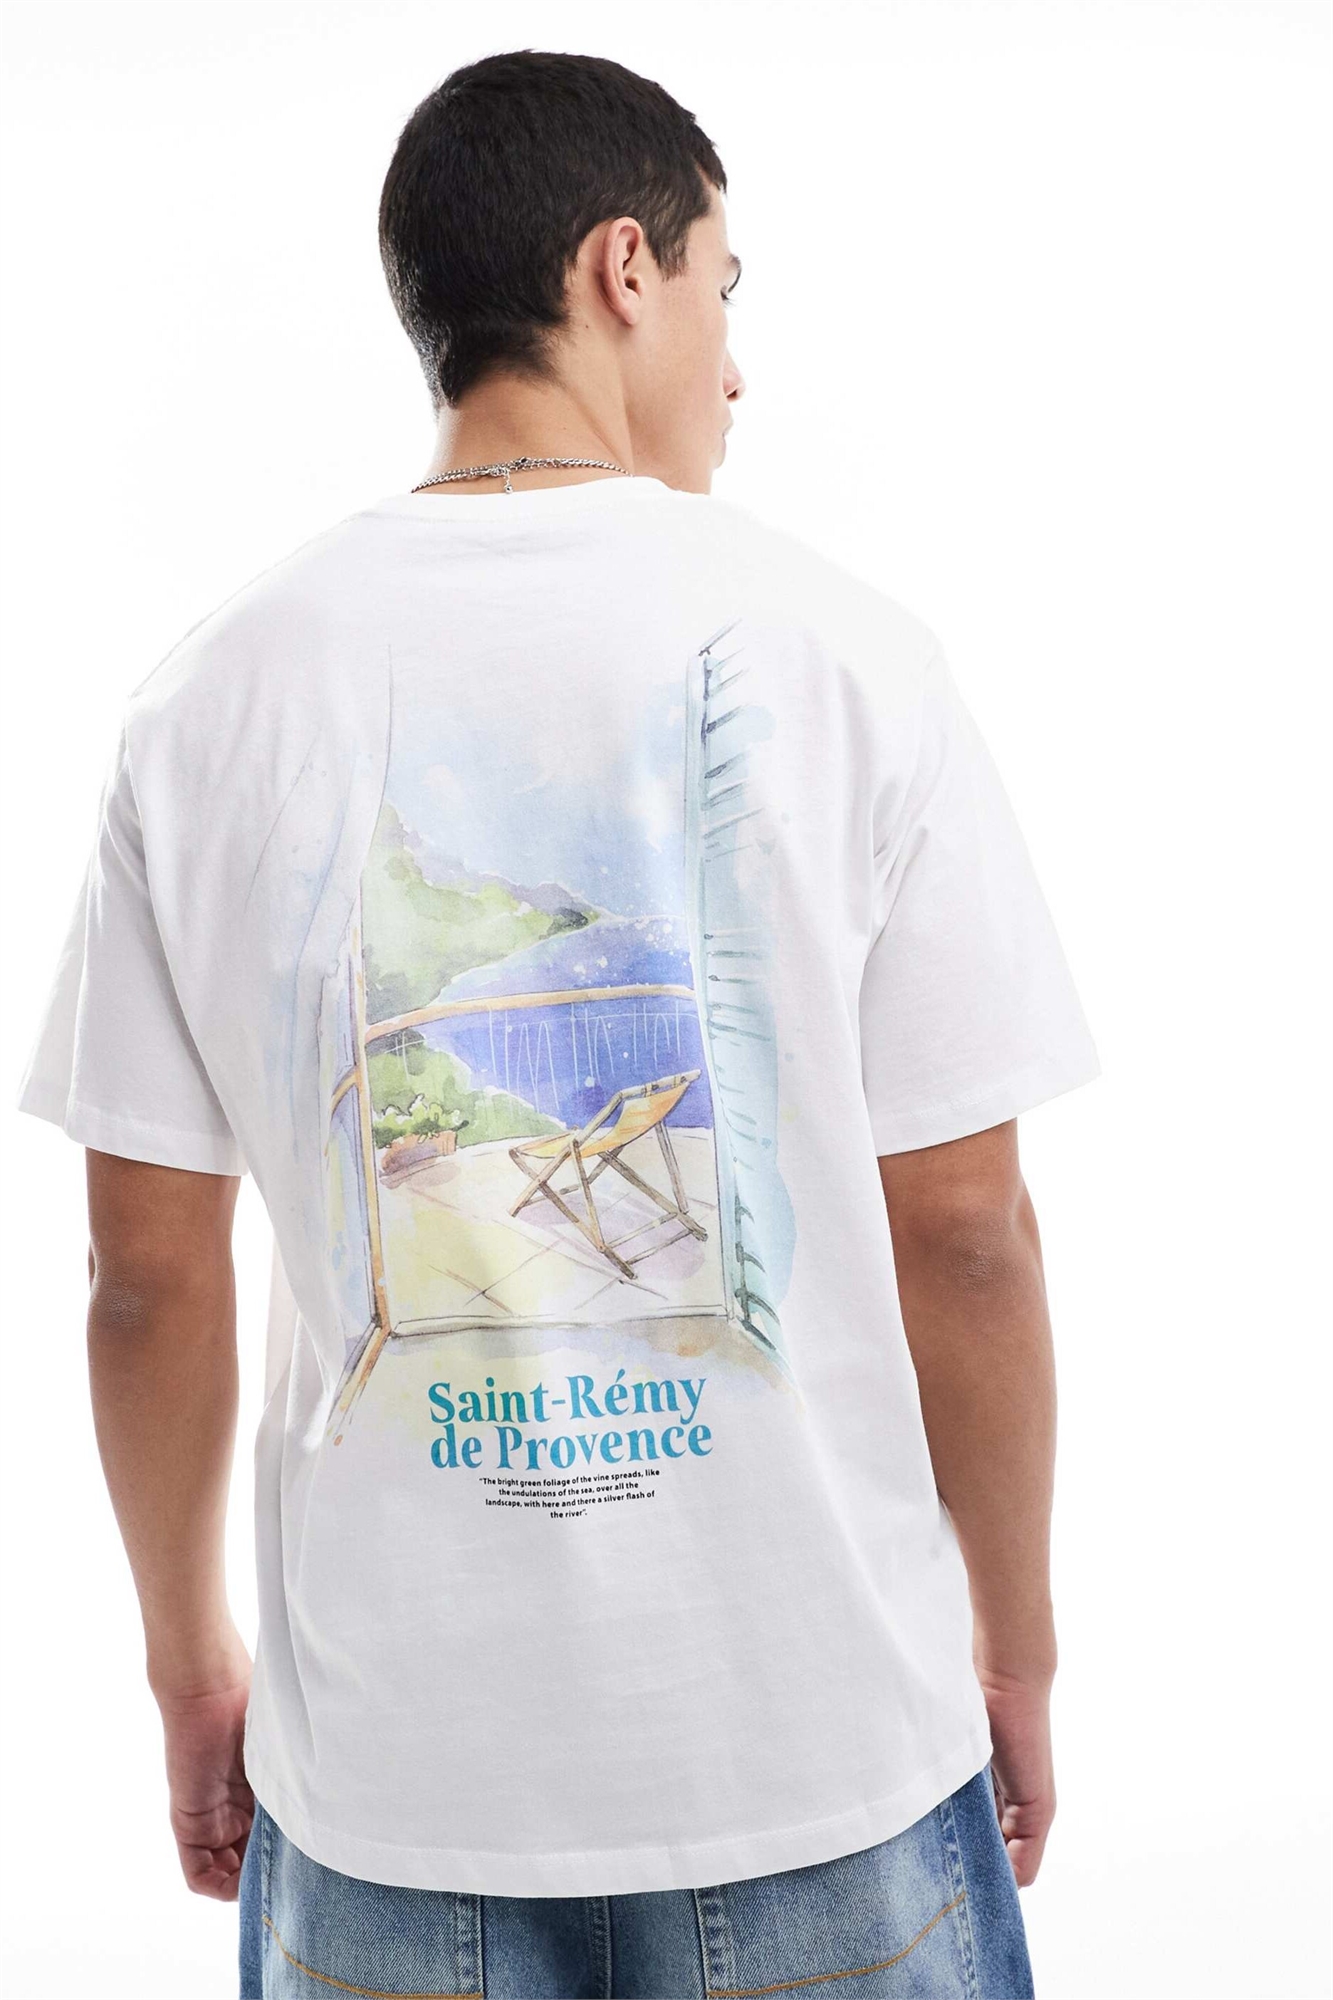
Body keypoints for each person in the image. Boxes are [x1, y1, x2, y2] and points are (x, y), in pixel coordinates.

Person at [15, 48, 1099, 2000]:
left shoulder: (209, 700)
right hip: (819, 1749)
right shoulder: (852, 655)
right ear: (621, 268)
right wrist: (1012, 1639)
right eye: (722, 289)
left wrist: (188, 1669)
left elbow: (146, 1278)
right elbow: (964, 1232)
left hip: (389, 1789)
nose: (735, 368)